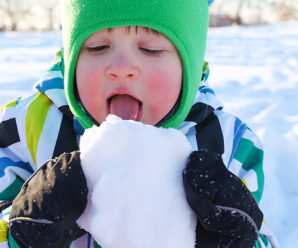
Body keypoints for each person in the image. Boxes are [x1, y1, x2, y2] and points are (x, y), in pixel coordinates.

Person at [0, 0, 279, 247]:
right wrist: (21, 233)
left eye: (151, 49)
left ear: (189, 67)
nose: (121, 67)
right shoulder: (24, 130)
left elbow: (264, 239)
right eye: (97, 48)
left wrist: (239, 238)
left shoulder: (229, 144)